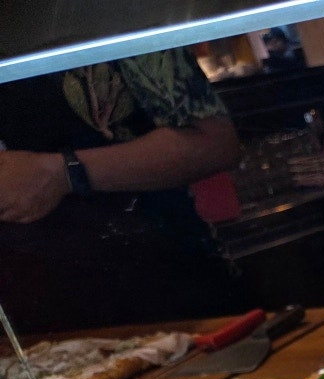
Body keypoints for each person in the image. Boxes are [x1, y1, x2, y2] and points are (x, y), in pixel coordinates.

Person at [0, 49, 243, 331]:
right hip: (34, 310)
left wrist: (65, 173)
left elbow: (216, 143)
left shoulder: (96, 25)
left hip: (166, 286)